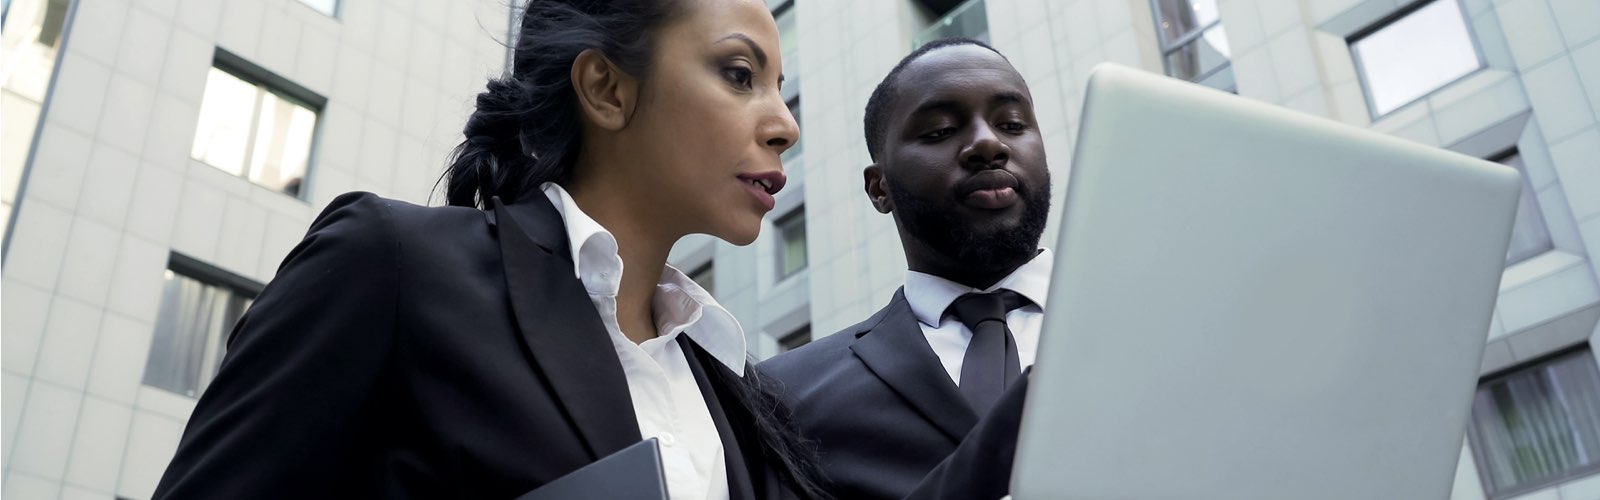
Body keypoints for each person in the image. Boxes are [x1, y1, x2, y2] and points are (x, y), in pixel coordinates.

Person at [151, 1, 829, 499]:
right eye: (740, 74)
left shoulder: (737, 392)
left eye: (777, 86)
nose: (785, 125)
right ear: (606, 88)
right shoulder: (390, 265)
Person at [759, 38, 1052, 500]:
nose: (988, 143)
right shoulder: (782, 394)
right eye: (940, 131)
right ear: (880, 188)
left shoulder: (1155, 322)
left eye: (1012, 124)